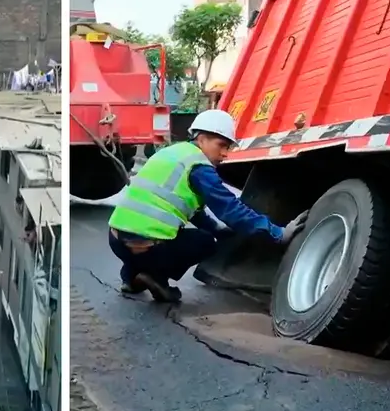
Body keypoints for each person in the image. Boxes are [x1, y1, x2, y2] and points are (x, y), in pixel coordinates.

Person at [107, 109, 309, 303]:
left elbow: (182, 204)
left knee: (145, 232)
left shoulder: (172, 154)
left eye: (228, 147)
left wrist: (217, 228)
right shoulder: (200, 166)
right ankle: (156, 277)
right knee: (205, 242)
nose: (225, 153)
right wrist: (278, 233)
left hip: (116, 240)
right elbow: (231, 209)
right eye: (221, 145)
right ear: (201, 138)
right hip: (147, 247)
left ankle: (131, 278)